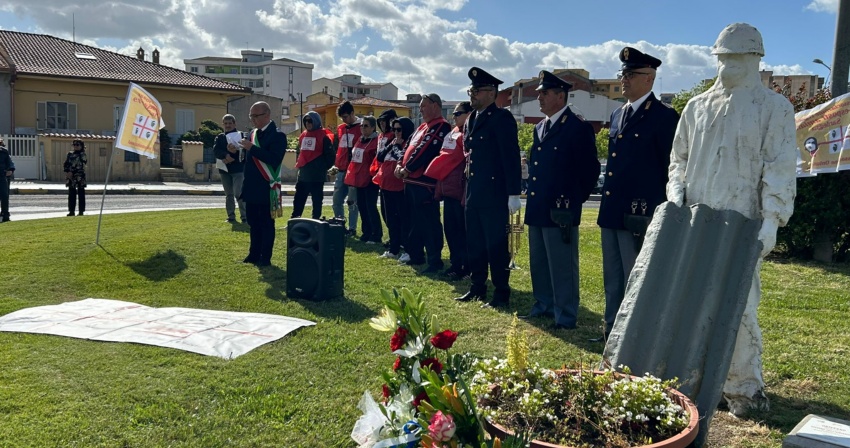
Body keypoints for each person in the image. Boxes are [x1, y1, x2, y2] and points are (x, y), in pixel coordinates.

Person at [667, 23, 796, 416]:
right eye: (723, 58)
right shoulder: (696, 107)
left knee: (739, 306)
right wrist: (675, 197)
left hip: (743, 224)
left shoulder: (774, 109)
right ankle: (696, 382)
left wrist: (772, 218)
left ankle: (744, 390)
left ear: (756, 59)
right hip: (695, 222)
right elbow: (679, 159)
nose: (729, 66)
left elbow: (780, 168)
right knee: (691, 300)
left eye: (738, 58)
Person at [593, 47, 679, 341]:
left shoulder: (664, 117)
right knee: (612, 278)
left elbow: (670, 166)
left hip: (640, 212)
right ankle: (611, 331)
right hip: (613, 210)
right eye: (623, 74)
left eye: (631, 74)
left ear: (649, 79)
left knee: (636, 277)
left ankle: (636, 334)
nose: (624, 79)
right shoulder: (618, 114)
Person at [522, 71, 600, 329]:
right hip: (538, 205)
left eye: (545, 93)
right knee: (540, 262)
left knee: (563, 264)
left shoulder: (577, 127)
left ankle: (565, 314)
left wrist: (573, 201)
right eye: (539, 93)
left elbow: (590, 170)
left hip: (561, 209)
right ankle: (543, 304)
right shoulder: (541, 127)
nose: (540, 98)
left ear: (560, 95)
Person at [455, 67, 522, 308]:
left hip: (494, 194)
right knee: (475, 243)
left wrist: (513, 192)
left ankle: (501, 292)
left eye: (477, 90)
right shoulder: (472, 118)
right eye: (471, 90)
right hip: (474, 191)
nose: (472, 94)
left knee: (496, 246)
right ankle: (477, 286)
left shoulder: (501, 118)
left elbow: (510, 156)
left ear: (492, 93)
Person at [396, 93, 450, 273]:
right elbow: (406, 147)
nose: (421, 109)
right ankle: (416, 254)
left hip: (424, 184)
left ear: (435, 105)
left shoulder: (441, 126)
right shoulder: (421, 127)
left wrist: (408, 168)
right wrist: (398, 165)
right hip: (409, 181)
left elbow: (425, 150)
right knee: (412, 222)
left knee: (429, 223)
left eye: (423, 106)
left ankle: (435, 260)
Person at [425, 101, 473, 279]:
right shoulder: (453, 133)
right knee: (451, 231)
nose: (454, 117)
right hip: (447, 188)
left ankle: (465, 267)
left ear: (469, 114)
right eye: (453, 114)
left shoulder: (470, 133)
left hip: (461, 190)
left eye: (458, 113)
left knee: (462, 232)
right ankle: (455, 264)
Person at [239, 101, 287, 267]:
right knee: (253, 223)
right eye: (251, 116)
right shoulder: (253, 134)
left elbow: (274, 159)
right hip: (251, 186)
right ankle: (253, 254)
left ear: (267, 115)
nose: (252, 119)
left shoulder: (278, 136)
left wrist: (252, 148)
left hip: (267, 187)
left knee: (266, 224)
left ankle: (265, 257)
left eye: (255, 116)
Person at [375, 117, 414, 259]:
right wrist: (392, 145)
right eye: (394, 129)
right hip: (386, 186)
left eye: (399, 130)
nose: (396, 133)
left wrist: (397, 146)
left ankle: (408, 249)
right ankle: (393, 248)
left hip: (400, 187)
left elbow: (403, 160)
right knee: (390, 219)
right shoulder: (393, 142)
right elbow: (379, 157)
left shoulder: (408, 144)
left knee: (404, 220)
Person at [345, 116, 383, 243]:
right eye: (361, 125)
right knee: (362, 206)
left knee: (370, 207)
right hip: (359, 179)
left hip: (370, 180)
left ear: (373, 127)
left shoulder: (376, 141)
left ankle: (376, 234)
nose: (362, 128)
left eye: (366, 126)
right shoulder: (360, 140)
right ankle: (366, 232)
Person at [292, 111, 335, 220]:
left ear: (316, 121)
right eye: (305, 121)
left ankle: (316, 221)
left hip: (317, 176)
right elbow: (301, 152)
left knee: (317, 200)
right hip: (303, 175)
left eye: (310, 120)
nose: (307, 123)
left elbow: (330, 156)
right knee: (298, 199)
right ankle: (295, 220)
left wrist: (320, 167)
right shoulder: (303, 135)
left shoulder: (324, 136)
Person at [330, 101, 361, 237]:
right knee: (336, 200)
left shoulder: (361, 127)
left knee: (352, 202)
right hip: (341, 170)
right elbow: (340, 149)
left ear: (353, 113)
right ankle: (339, 224)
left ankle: (352, 228)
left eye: (346, 116)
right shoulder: (341, 128)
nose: (344, 120)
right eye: (342, 117)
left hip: (353, 171)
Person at [213, 114, 247, 223]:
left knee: (239, 193)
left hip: (238, 169)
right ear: (223, 124)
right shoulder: (220, 137)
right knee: (229, 195)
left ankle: (245, 217)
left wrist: (235, 153)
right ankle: (231, 217)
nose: (228, 125)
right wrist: (226, 155)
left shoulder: (241, 135)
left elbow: (246, 151)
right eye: (226, 123)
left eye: (230, 123)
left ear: (234, 124)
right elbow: (216, 151)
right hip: (224, 170)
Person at [64, 139, 88, 216]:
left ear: (81, 146)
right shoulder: (69, 154)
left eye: (77, 145)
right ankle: (71, 211)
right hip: (71, 176)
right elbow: (66, 164)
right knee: (71, 193)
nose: (75, 146)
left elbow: (83, 163)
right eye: (74, 145)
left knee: (81, 193)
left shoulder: (82, 154)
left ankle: (81, 211)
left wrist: (72, 171)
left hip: (79, 176)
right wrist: (67, 171)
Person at [0, 138, 14, 223]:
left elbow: (9, 163)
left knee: (4, 196)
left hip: (2, 176)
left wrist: (10, 170)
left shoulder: (4, 152)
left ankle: (5, 214)